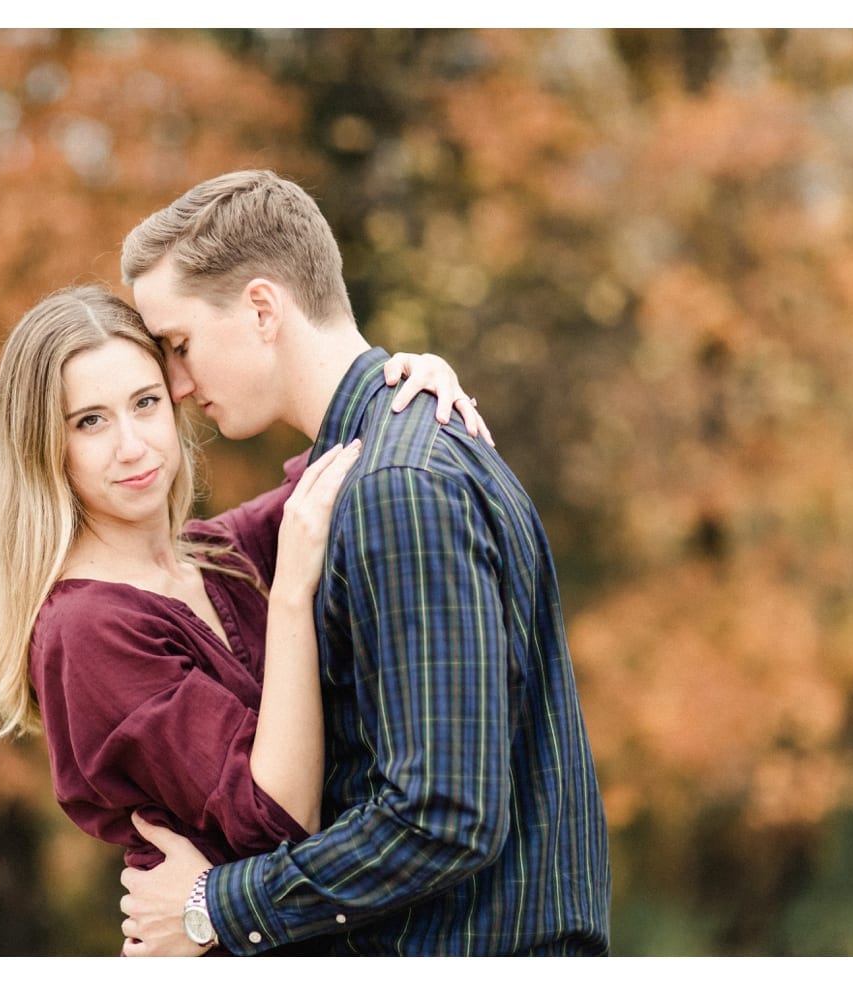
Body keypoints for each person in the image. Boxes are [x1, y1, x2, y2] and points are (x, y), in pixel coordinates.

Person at [115, 170, 611, 956]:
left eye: (179, 345)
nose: (176, 384)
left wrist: (214, 903)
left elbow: (442, 816)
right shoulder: (379, 459)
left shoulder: (398, 488)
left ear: (262, 308)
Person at [0, 285, 487, 955]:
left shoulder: (221, 553)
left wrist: (418, 380)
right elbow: (278, 815)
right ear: (47, 447)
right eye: (89, 421)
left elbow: (362, 457)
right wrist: (290, 597)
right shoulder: (87, 626)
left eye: (145, 403)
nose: (132, 445)